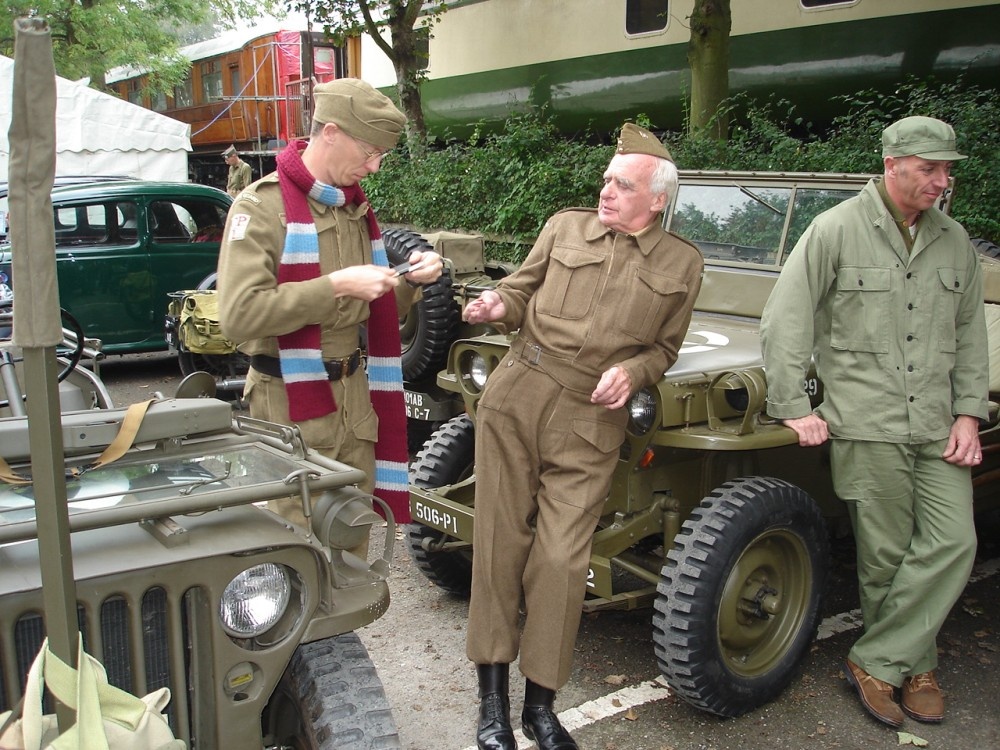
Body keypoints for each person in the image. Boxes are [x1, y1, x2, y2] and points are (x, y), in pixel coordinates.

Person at [462, 123, 704, 750]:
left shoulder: (683, 264)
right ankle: (492, 703)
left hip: (591, 419)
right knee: (498, 543)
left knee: (561, 560)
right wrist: (497, 304)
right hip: (518, 393)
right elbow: (522, 288)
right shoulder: (565, 226)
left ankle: (541, 705)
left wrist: (635, 371)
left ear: (657, 199)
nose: (606, 191)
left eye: (622, 185)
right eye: (605, 180)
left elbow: (665, 348)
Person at [760, 115, 988, 728]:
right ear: (892, 165)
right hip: (866, 422)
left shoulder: (954, 240)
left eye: (947, 170)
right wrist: (793, 406)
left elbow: (970, 335)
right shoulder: (834, 230)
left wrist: (969, 413)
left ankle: (876, 659)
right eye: (930, 168)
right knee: (886, 557)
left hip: (938, 423)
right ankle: (918, 667)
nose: (942, 181)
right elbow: (787, 317)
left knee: (953, 542)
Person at [216, 78, 442, 528]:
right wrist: (335, 286)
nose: (375, 167)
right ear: (332, 132)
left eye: (382, 155)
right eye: (369, 152)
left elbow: (374, 314)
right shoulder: (261, 208)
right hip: (287, 403)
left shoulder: (352, 209)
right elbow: (238, 316)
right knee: (296, 545)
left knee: (352, 533)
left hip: (353, 402)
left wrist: (409, 282)